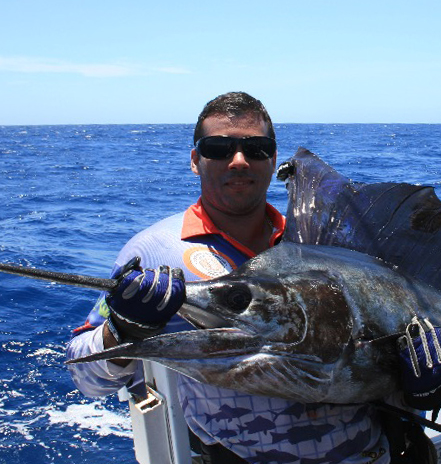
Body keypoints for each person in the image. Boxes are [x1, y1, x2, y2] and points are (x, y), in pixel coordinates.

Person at [67, 92, 402, 464]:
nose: (239, 161)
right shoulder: (151, 254)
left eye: (256, 148)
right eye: (218, 148)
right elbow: (87, 378)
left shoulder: (321, 247)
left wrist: (419, 385)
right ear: (195, 160)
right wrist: (124, 329)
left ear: (273, 160)